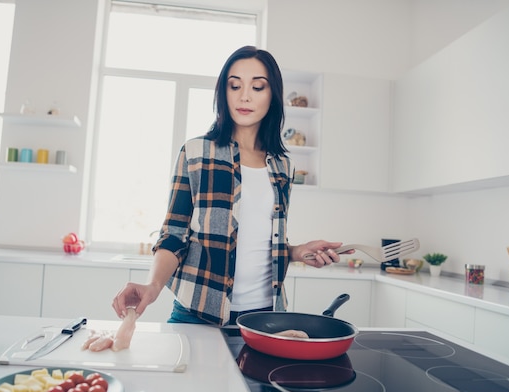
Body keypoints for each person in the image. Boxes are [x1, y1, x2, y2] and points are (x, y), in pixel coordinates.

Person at [112, 46, 351, 327]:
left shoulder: (282, 166)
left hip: (265, 316)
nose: (244, 96)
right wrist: (152, 286)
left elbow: (261, 240)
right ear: (223, 93)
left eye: (258, 87)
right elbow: (174, 234)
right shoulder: (196, 152)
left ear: (272, 94)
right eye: (234, 85)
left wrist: (297, 251)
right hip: (197, 312)